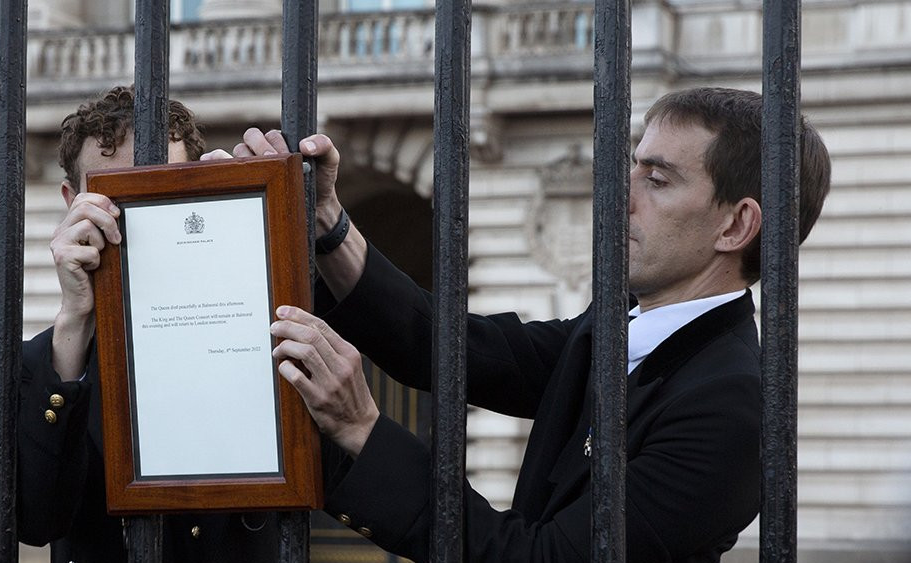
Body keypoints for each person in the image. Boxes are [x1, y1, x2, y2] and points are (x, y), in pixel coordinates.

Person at [225, 87, 831, 561]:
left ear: (735, 227)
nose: (621, 194)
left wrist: (362, 427)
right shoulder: (618, 324)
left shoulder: (731, 406)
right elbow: (450, 349)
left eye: (658, 178)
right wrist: (330, 227)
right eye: (632, 167)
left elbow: (536, 557)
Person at [16, 86, 277, 563]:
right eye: (116, 197)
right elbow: (35, 523)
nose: (139, 216)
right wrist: (76, 318)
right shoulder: (44, 364)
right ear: (73, 201)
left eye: (158, 189)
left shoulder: (256, 323)